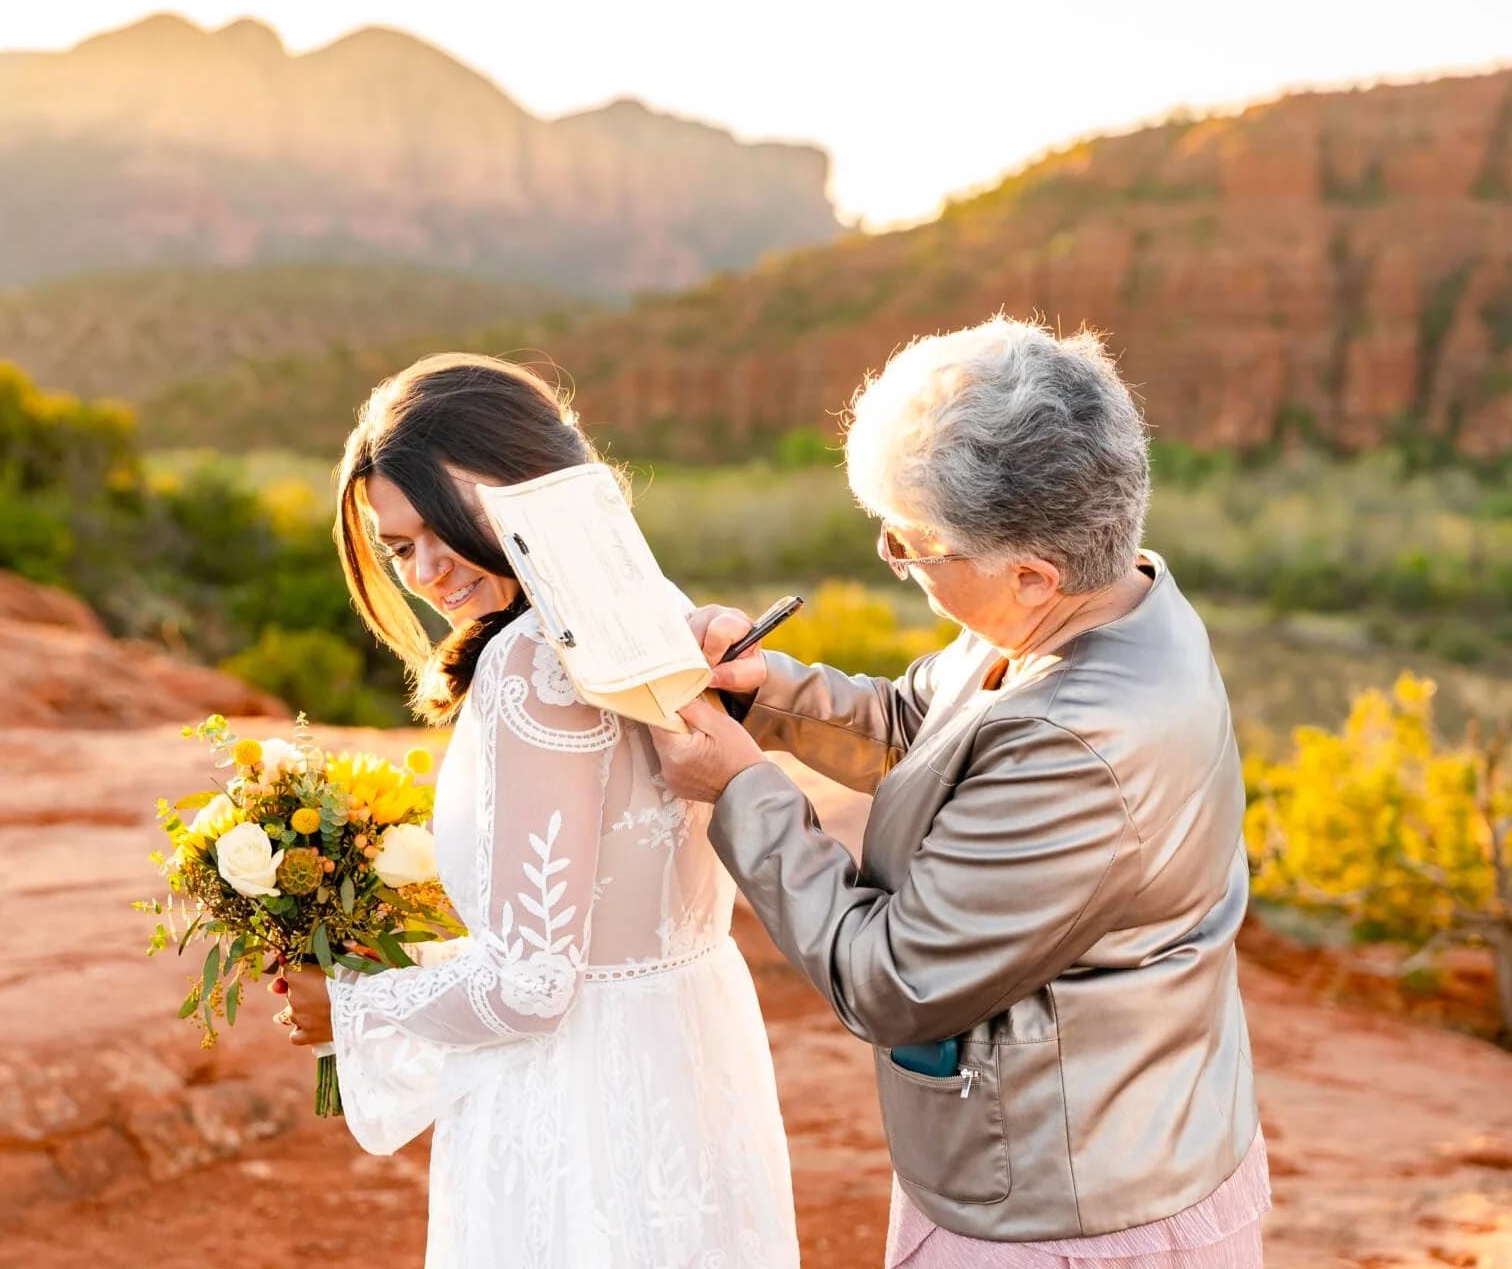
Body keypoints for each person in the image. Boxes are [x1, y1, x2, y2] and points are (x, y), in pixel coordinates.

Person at [651, 317, 1270, 1267]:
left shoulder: (1080, 742)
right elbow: (921, 727)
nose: (895, 558)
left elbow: (892, 982)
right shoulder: (1093, 602)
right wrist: (765, 689)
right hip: (1091, 1147)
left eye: (912, 546)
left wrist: (743, 793)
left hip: (1067, 1205)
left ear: (1029, 573)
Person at [275, 353, 799, 1267]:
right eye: (400, 549)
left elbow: (532, 987)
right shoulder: (653, 612)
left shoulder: (530, 664)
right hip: (692, 1071)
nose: (429, 571)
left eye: (444, 526)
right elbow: (599, 943)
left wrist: (352, 1003)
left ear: (529, 485)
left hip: (577, 1114)